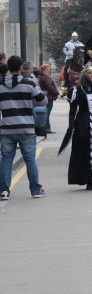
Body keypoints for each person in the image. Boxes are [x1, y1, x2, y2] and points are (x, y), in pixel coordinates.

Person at [0, 56, 47, 200]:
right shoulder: (29, 83)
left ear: (9, 67)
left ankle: (4, 191)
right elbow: (43, 100)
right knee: (30, 160)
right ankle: (35, 190)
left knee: (6, 160)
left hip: (7, 128)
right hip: (26, 128)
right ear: (21, 68)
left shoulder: (0, 85)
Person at [38, 64, 59, 133]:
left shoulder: (41, 76)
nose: (49, 70)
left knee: (46, 113)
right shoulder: (46, 77)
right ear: (45, 70)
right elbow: (49, 87)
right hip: (48, 97)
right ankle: (47, 128)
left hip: (45, 96)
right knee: (47, 113)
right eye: (48, 69)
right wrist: (56, 92)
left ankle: (47, 127)